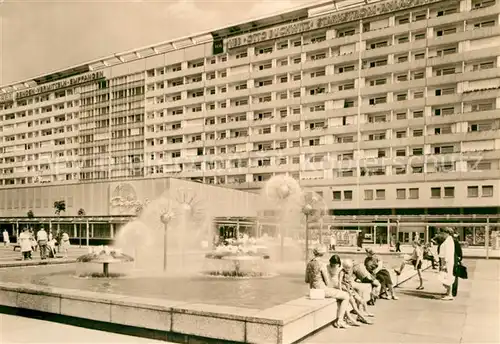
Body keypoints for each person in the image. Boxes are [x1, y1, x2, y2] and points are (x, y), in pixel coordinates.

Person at [305, 246, 350, 329]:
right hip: (322, 290)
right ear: (322, 254)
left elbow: (306, 280)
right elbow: (328, 282)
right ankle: (340, 321)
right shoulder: (321, 264)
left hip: (313, 291)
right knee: (346, 296)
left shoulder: (309, 264)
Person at [330, 256, 374, 325]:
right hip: (346, 290)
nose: (348, 270)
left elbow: (351, 279)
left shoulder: (350, 270)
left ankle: (366, 312)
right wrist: (341, 290)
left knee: (362, 300)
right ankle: (364, 318)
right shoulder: (342, 272)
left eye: (349, 268)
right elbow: (339, 282)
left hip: (350, 289)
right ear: (343, 267)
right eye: (346, 268)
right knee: (354, 305)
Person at [438, 227, 456, 301]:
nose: (442, 235)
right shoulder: (448, 240)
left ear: (446, 233)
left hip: (447, 262)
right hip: (446, 262)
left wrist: (444, 264)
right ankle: (448, 292)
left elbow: (448, 253)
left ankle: (449, 294)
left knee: (447, 277)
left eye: (442, 233)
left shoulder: (449, 241)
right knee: (446, 277)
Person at [452, 231, 463, 297]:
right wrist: (459, 259)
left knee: (452, 276)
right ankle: (454, 291)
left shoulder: (450, 242)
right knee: (455, 276)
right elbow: (460, 253)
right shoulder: (456, 243)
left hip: (453, 260)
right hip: (456, 260)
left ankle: (451, 291)